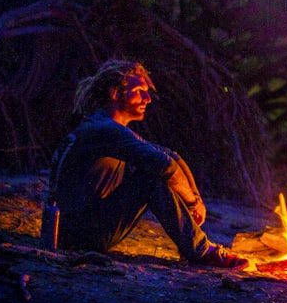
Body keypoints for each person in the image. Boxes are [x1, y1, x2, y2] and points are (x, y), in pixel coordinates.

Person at [48, 59, 250, 270]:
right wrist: (191, 203)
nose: (147, 98)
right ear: (115, 94)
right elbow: (166, 167)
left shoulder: (103, 126)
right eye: (139, 91)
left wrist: (197, 198)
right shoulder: (107, 130)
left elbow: (171, 156)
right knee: (151, 178)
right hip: (77, 235)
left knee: (152, 166)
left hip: (72, 228)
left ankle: (197, 247)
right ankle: (201, 251)